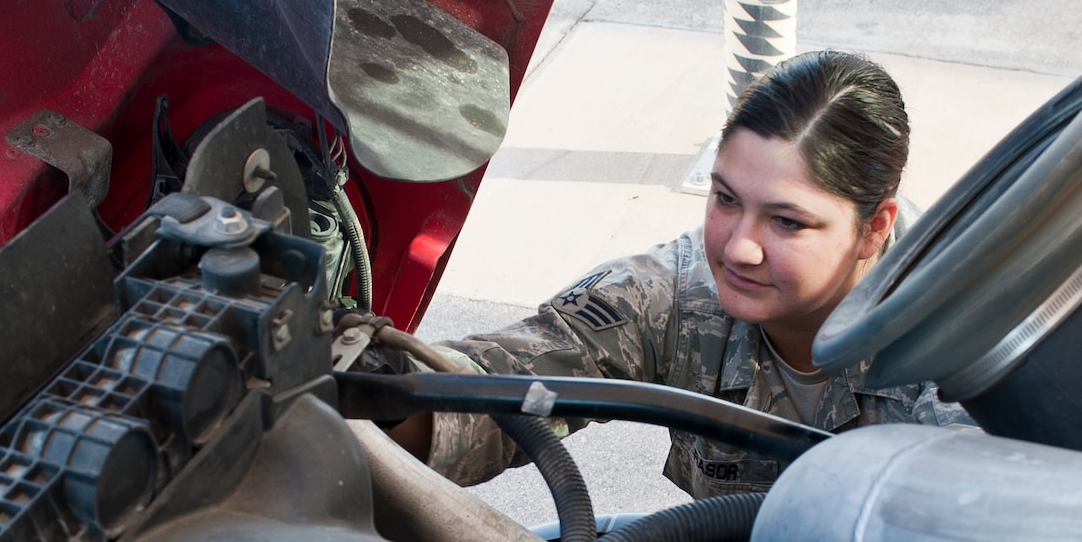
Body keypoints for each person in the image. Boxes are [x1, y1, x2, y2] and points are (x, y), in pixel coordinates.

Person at [407, 49, 969, 497]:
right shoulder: (677, 291)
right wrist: (381, 395)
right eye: (726, 199)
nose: (739, 248)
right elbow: (505, 382)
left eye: (787, 221)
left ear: (875, 227)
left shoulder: (961, 326)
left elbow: (988, 535)